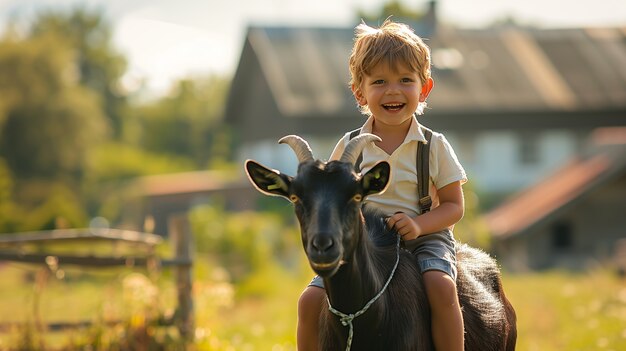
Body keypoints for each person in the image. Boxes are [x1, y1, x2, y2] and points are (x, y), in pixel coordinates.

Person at [297, 19, 467, 351]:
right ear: (359, 91)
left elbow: (454, 206)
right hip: (363, 243)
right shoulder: (347, 147)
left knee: (441, 287)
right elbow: (332, 201)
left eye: (406, 80)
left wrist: (418, 225)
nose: (393, 90)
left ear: (425, 88)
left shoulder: (433, 145)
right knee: (309, 301)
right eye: (379, 81)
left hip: (423, 238)